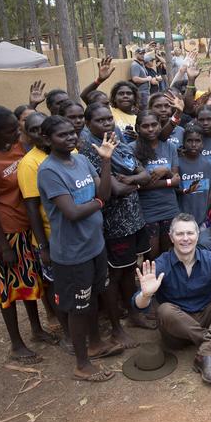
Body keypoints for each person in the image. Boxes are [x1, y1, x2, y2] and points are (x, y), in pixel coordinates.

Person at [38, 116, 122, 380]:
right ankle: (82, 364)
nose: (70, 138)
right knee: (78, 307)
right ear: (47, 140)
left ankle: (96, 344)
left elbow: (106, 193)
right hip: (72, 253)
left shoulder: (83, 161)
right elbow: (72, 212)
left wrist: (106, 161)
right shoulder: (49, 171)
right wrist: (98, 203)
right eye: (61, 135)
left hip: (95, 244)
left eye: (71, 133)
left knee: (95, 295)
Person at [133, 215, 211, 385]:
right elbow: (138, 305)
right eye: (180, 234)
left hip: (206, 316)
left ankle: (206, 352)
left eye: (190, 233)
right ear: (171, 237)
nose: (185, 239)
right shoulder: (161, 263)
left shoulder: (209, 258)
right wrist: (146, 295)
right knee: (165, 310)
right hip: (176, 330)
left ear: (198, 236)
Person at [0, 106, 50, 365]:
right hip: (2, 233)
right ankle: (16, 344)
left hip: (24, 225)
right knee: (7, 289)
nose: (17, 133)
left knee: (28, 282)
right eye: (10, 130)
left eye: (16, 128)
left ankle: (37, 329)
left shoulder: (15, 143)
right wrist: (4, 246)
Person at [78, 103, 150, 346]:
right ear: (88, 124)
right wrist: (137, 182)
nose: (107, 123)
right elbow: (115, 190)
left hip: (134, 218)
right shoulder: (91, 152)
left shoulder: (117, 142)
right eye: (100, 120)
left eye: (109, 118)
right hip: (115, 224)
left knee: (130, 270)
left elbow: (145, 174)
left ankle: (133, 314)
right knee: (115, 275)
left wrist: (134, 180)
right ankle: (116, 328)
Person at [17, 112, 67, 338]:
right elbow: (31, 207)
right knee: (56, 285)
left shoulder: (68, 152)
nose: (40, 134)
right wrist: (44, 246)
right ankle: (66, 329)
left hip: (74, 234)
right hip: (51, 235)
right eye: (34, 130)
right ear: (27, 135)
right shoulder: (30, 164)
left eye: (42, 129)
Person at [124, 110, 180, 260]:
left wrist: (166, 171)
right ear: (137, 128)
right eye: (145, 126)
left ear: (160, 126)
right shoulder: (131, 149)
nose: (150, 129)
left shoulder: (169, 147)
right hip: (146, 210)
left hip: (170, 208)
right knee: (152, 257)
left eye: (154, 125)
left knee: (169, 255)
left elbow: (177, 179)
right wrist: (168, 181)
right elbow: (137, 185)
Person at [176, 124, 211, 225]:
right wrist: (185, 191)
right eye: (189, 141)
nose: (193, 145)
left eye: (197, 141)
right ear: (183, 142)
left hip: (202, 217)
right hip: (181, 217)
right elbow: (174, 190)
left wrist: (206, 210)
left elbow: (210, 189)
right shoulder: (177, 163)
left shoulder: (208, 163)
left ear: (202, 143)